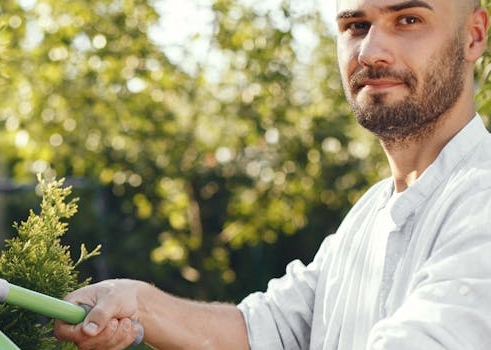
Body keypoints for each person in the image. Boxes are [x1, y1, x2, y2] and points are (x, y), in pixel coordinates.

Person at [53, 0, 491, 348]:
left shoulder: (482, 199)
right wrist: (137, 303)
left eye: (408, 19)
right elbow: (269, 330)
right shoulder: (370, 215)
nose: (372, 52)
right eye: (356, 25)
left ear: (474, 36)